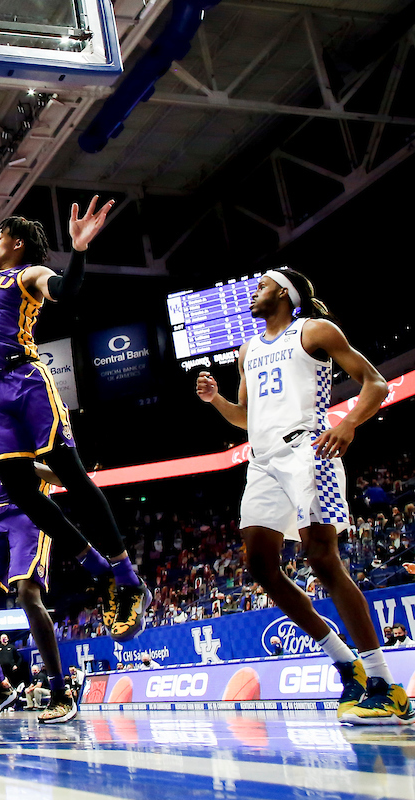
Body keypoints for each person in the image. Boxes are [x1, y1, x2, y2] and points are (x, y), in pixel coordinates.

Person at [0, 175, 150, 640]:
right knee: (21, 490)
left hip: (25, 381)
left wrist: (79, 249)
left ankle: (127, 577)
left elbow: (68, 289)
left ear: (15, 243)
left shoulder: (28, 275)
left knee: (71, 475)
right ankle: (98, 568)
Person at [196, 267, 408, 724]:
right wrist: (216, 400)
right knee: (260, 565)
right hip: (262, 461)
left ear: (285, 293)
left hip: (307, 451)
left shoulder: (314, 331)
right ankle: (345, 663)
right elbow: (246, 418)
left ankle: (384, 683)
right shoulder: (248, 350)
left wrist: (348, 423)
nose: (254, 292)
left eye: (262, 286)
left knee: (322, 560)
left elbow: (376, 383)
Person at [0, 461, 78, 724]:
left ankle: (61, 692)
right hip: (0, 512)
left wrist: (20, 464)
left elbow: (63, 476)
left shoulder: (39, 437)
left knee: (27, 595)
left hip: (32, 508)